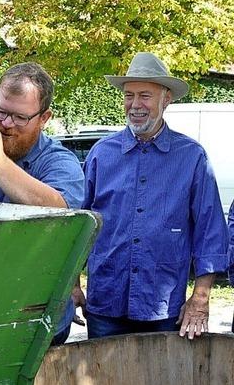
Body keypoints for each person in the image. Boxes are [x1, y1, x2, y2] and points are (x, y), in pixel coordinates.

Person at [82, 52, 228, 340]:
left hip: (163, 307)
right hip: (105, 303)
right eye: (129, 95)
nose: (135, 105)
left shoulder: (192, 158)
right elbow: (76, 224)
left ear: (166, 98)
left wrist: (200, 299)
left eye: (145, 95)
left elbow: (210, 231)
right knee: (105, 383)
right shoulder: (101, 154)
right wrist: (72, 284)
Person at [0, 62, 85, 345]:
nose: (5, 124)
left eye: (19, 117)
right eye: (1, 111)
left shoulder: (58, 162)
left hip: (36, 324)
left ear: (44, 118)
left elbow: (61, 210)